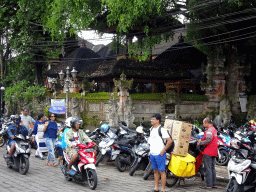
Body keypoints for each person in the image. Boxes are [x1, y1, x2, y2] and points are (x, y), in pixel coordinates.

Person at [148, 113, 173, 192]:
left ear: (158, 120)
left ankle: (163, 189)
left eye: (153, 119)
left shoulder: (162, 129)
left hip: (160, 154)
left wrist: (163, 150)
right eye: (151, 119)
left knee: (162, 171)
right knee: (155, 171)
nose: (151, 120)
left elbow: (169, 141)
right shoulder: (151, 128)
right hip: (152, 153)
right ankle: (156, 188)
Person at [197, 117, 218, 189]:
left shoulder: (209, 130)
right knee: (212, 168)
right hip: (214, 151)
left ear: (206, 123)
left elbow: (208, 139)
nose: (203, 124)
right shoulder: (214, 129)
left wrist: (200, 143)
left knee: (208, 168)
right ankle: (213, 184)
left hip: (208, 151)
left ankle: (208, 185)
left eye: (203, 123)